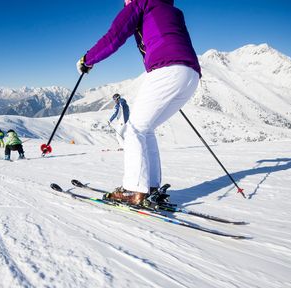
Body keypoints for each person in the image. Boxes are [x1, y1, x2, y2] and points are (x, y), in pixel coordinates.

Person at [76, 0, 201, 206]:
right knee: (146, 128)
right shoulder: (172, 10)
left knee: (133, 130)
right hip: (190, 75)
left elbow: (114, 37)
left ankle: (133, 189)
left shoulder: (140, 4)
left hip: (167, 70)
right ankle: (150, 187)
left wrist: (87, 59)